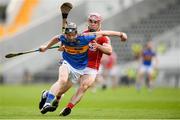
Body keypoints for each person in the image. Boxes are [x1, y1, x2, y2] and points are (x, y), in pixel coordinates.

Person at [38, 22, 127, 115]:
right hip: (67, 62)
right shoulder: (63, 37)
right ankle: (47, 103)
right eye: (69, 35)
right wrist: (46, 48)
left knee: (62, 90)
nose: (71, 37)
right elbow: (56, 38)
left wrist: (120, 34)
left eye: (73, 35)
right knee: (62, 80)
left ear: (76, 33)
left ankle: (46, 94)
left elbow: (105, 33)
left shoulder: (85, 37)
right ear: (66, 34)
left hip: (78, 69)